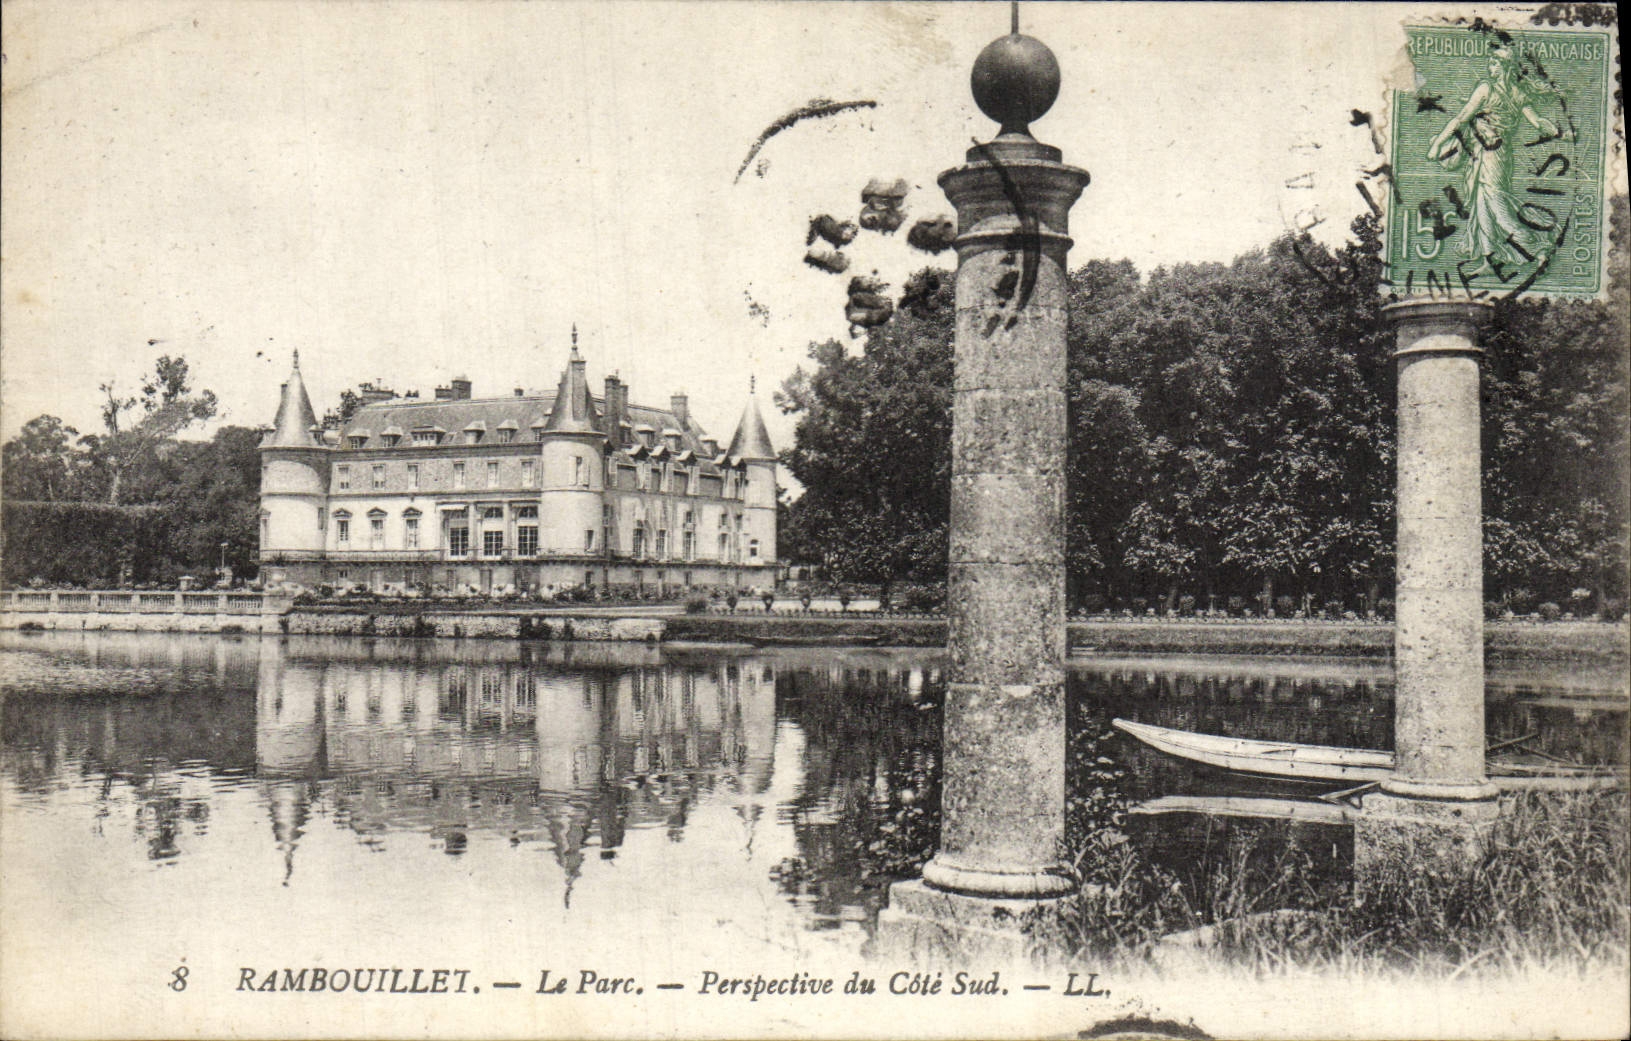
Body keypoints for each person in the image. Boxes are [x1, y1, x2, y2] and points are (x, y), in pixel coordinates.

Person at [1426, 44, 1565, 276]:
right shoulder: (1519, 94)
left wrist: (1438, 144)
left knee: (1498, 208)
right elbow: (1538, 122)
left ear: (1504, 67)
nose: (1490, 68)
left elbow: (1461, 119)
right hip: (1492, 155)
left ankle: (1539, 247)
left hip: (1491, 155)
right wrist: (1559, 131)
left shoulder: (1485, 89)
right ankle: (1489, 261)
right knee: (1482, 207)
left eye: (1494, 63)